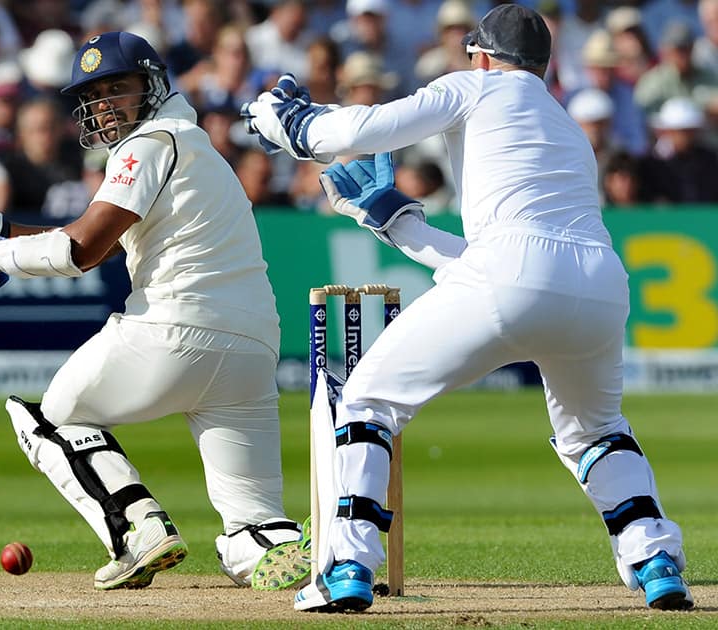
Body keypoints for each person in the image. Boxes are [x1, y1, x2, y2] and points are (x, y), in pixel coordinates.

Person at [242, 3, 694, 614]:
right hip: (600, 284)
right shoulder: (563, 125)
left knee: (368, 401)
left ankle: (347, 565)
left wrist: (284, 121)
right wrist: (399, 223)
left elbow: (347, 135)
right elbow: (520, 261)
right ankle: (655, 559)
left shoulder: (471, 85)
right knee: (597, 431)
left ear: (480, 55)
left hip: (513, 273)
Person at [0, 31, 308, 592]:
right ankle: (276, 546)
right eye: (93, 96)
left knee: (50, 418)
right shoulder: (193, 145)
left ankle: (137, 529)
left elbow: (80, 249)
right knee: (255, 521)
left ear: (155, 84)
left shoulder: (150, 141)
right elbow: (103, 236)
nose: (103, 104)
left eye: (118, 88)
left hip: (172, 330)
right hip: (251, 347)